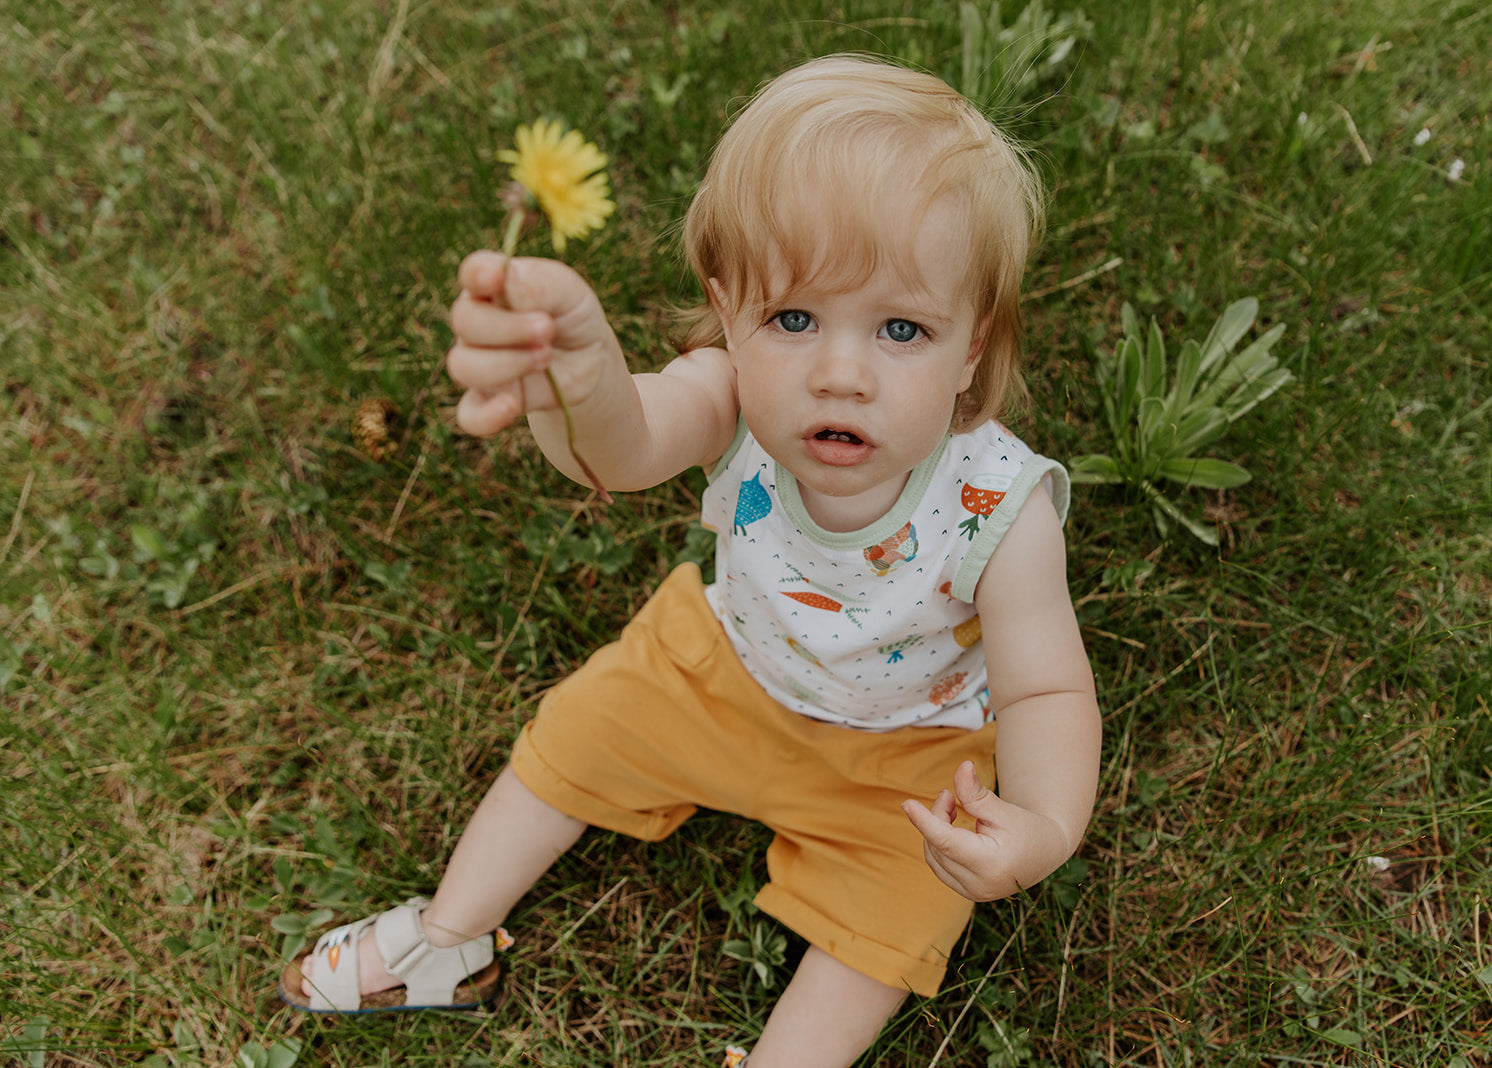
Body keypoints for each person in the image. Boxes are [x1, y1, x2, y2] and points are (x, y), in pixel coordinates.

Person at [281, 53, 1101, 1067]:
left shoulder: (1001, 511)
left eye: (901, 329)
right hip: (718, 671)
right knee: (568, 742)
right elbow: (620, 447)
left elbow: (1047, 693)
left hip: (904, 753)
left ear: (971, 347)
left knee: (899, 915)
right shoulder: (728, 396)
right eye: (794, 319)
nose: (840, 375)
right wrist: (576, 376)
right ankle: (449, 938)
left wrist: (1041, 825)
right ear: (727, 311)